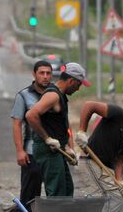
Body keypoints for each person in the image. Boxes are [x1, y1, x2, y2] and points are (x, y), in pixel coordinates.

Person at [24, 62, 90, 200]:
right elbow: (31, 115)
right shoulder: (53, 95)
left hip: (57, 148)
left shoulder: (61, 96)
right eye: (78, 85)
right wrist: (47, 138)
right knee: (57, 192)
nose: (77, 89)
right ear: (71, 81)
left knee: (66, 188)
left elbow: (58, 126)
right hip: (48, 149)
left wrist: (67, 148)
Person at [10, 59, 54, 212]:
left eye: (48, 73)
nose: (45, 76)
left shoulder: (56, 95)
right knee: (29, 192)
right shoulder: (24, 96)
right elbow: (17, 124)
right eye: (41, 73)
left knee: (54, 194)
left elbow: (63, 124)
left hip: (53, 152)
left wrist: (70, 146)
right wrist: (20, 151)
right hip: (31, 152)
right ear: (34, 75)